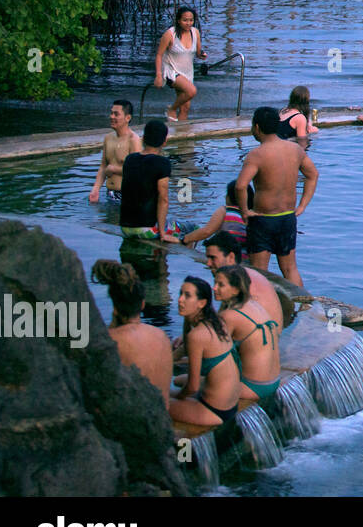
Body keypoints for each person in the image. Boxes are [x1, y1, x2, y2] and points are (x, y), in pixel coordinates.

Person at [235, 107, 319, 288]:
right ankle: (304, 306)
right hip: (287, 217)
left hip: (263, 219)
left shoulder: (256, 154)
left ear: (256, 127)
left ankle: (261, 310)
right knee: (290, 269)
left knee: (259, 271)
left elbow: (241, 185)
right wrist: (303, 205)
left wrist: (245, 212)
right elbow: (312, 175)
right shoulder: (295, 149)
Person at [93, 259, 172, 406]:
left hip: (131, 422)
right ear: (142, 304)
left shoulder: (110, 341)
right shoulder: (161, 336)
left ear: (115, 307)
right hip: (162, 419)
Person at [169, 276, 240, 427]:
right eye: (180, 294)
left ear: (202, 303)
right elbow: (188, 346)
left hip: (213, 410)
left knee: (158, 401)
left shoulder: (197, 336)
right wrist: (187, 318)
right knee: (177, 380)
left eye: (187, 296)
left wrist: (179, 398)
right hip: (230, 403)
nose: (180, 299)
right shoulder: (217, 322)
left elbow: (193, 387)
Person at [214, 265, 282, 403]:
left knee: (181, 381)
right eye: (215, 283)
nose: (214, 288)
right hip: (274, 381)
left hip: (252, 386)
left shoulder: (229, 316)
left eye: (220, 285)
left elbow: (210, 358)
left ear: (235, 289)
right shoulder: (254, 305)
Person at [203, 231, 284, 333]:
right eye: (207, 258)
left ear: (231, 257)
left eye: (212, 258)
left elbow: (221, 329)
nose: (208, 263)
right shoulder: (241, 276)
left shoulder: (241, 282)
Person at [119, 119, 175, 240]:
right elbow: (163, 198)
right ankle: (164, 258)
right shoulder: (163, 163)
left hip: (124, 227)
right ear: (164, 141)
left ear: (143, 138)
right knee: (191, 228)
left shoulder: (130, 159)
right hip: (147, 230)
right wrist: (162, 233)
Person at [154, 5, 207, 122]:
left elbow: (197, 52)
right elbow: (159, 55)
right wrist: (158, 75)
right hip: (171, 70)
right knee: (191, 91)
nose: (188, 23)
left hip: (187, 72)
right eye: (185, 20)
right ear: (178, 20)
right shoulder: (170, 34)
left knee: (185, 108)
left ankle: (181, 134)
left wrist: (202, 55)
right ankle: (172, 109)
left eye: (191, 20)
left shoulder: (195, 32)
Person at [174, 180, 253, 249]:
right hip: (242, 256)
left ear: (228, 197)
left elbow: (207, 232)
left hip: (224, 254)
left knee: (191, 233)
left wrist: (184, 240)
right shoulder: (251, 217)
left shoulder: (225, 211)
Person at [89, 99, 142, 203]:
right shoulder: (108, 138)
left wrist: (114, 169)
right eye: (111, 113)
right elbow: (103, 166)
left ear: (128, 118)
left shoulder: (133, 140)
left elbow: (137, 172)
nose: (111, 117)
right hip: (109, 193)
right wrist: (95, 189)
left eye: (116, 114)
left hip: (127, 195)